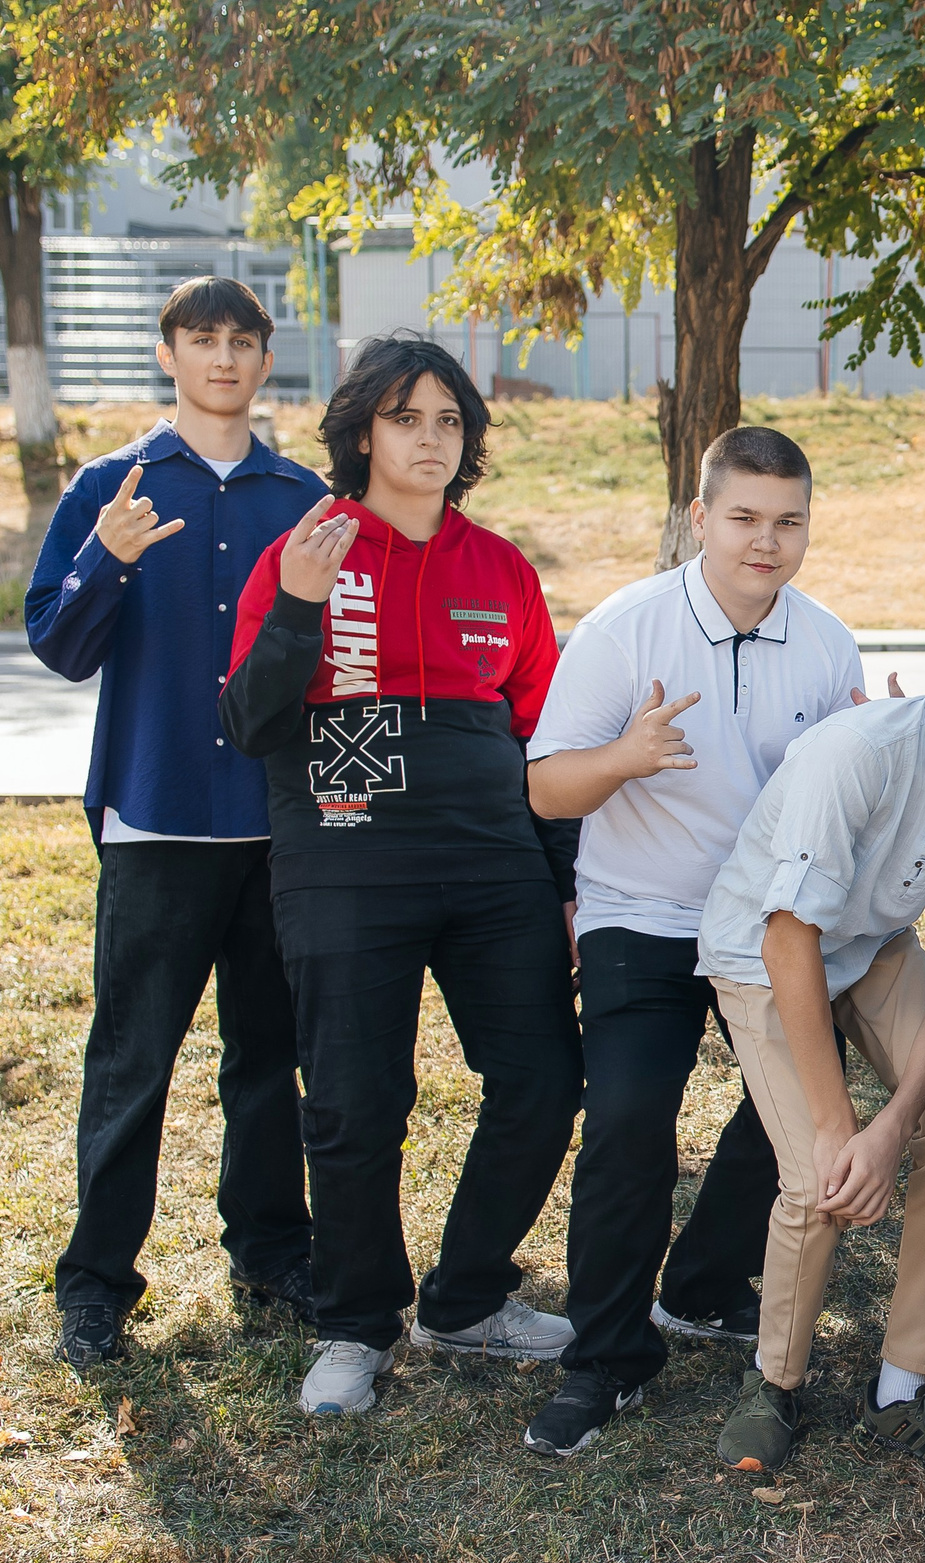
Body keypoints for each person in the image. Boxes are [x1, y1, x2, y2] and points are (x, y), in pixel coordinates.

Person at [220, 333, 582, 1419]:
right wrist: (293, 605)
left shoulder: (501, 567)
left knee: (542, 1074)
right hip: (347, 853)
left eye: (448, 420)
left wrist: (563, 880)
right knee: (353, 1101)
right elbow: (248, 723)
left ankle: (466, 1295)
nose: (429, 438)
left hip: (491, 856)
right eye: (405, 417)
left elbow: (546, 737)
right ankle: (354, 1322)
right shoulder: (309, 550)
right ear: (361, 431)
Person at [515, 425, 872, 1456]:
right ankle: (604, 1359)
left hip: (766, 925)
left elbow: (837, 787)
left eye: (789, 521)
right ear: (699, 517)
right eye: (746, 518)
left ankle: (702, 1284)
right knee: (626, 1116)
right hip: (645, 912)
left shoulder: (825, 638)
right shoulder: (626, 627)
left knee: (798, 1110)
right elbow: (545, 784)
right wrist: (624, 756)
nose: (767, 541)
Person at [695, 579, 925, 1480]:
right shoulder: (857, 752)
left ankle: (904, 1385)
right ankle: (774, 1382)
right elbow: (790, 938)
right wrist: (841, 1127)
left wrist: (896, 1121)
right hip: (762, 950)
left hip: (873, 944)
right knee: (817, 1173)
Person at [26, 276, 325, 1368]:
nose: (223, 358)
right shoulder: (112, 486)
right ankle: (97, 1281)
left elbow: (337, 660)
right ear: (169, 353)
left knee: (268, 1057)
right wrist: (107, 555)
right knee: (132, 1061)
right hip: (154, 823)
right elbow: (59, 645)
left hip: (273, 828)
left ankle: (272, 1250)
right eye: (203, 339)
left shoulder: (302, 499)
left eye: (242, 340)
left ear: (263, 358)